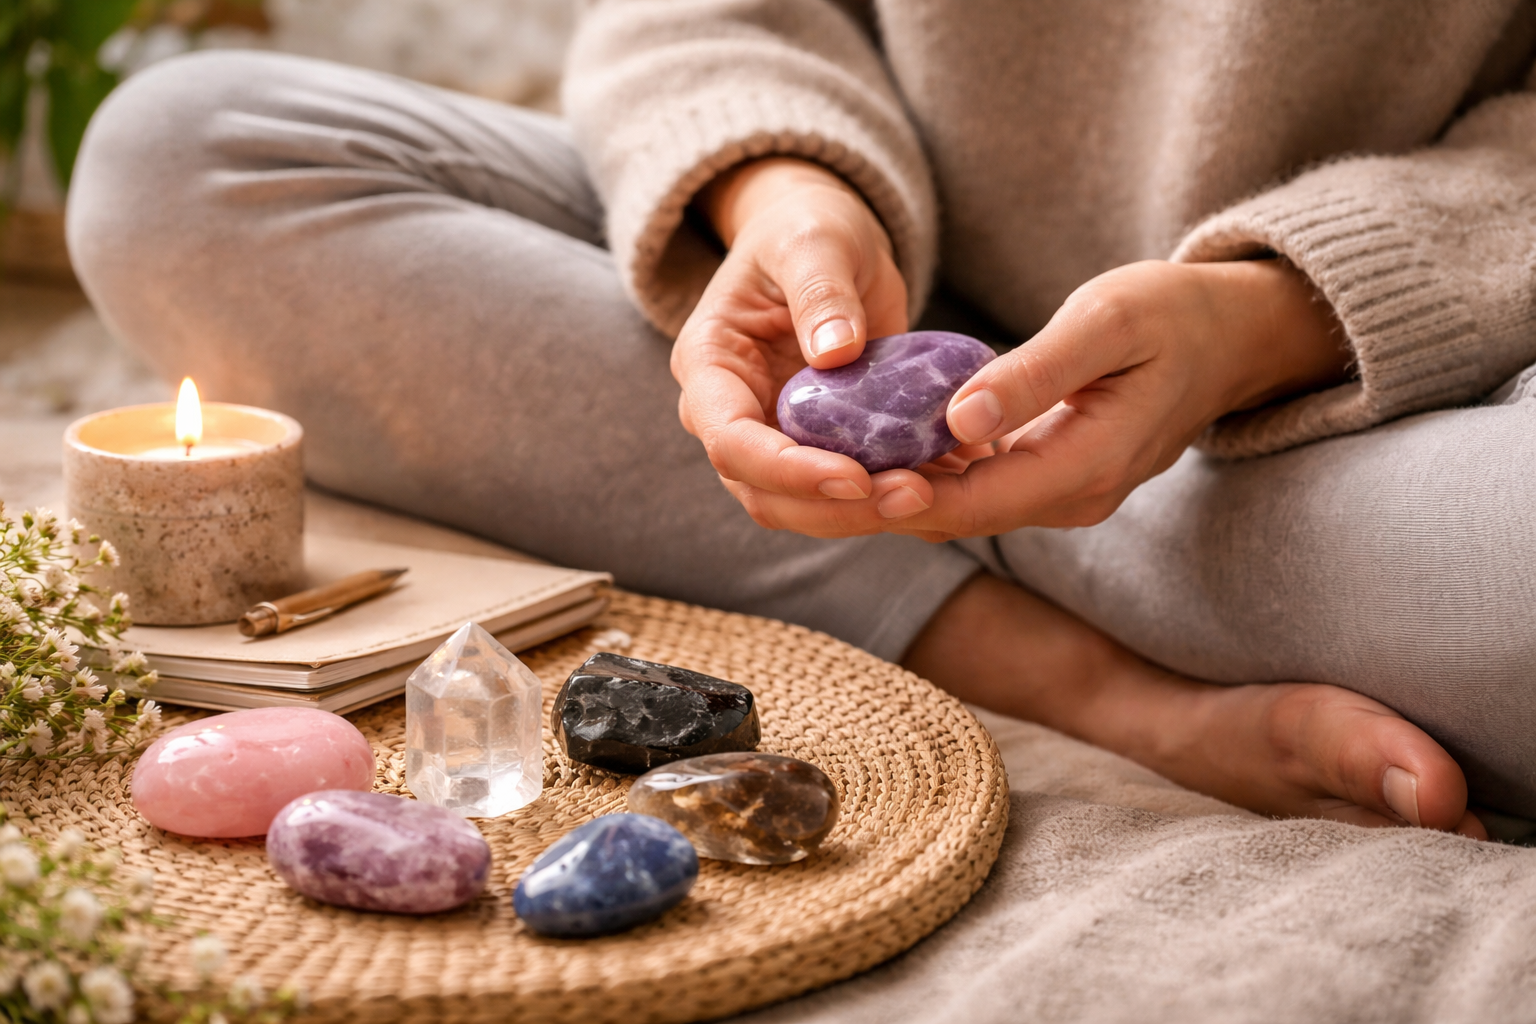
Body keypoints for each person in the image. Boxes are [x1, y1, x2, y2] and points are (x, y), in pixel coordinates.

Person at [68, 1, 1536, 838]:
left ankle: (1022, 525)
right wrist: (779, 187)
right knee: (178, 159)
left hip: (1366, 374)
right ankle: (1082, 664)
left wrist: (1267, 317)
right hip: (895, 269)